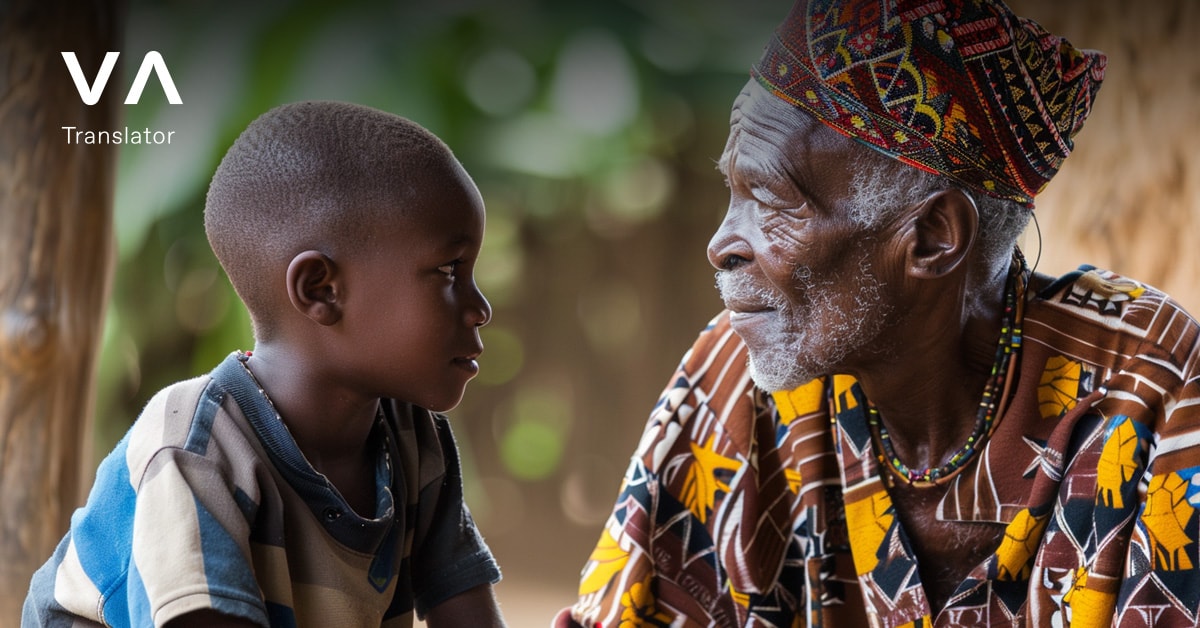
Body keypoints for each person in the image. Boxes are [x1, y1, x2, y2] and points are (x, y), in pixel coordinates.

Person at [557, 0, 1200, 626]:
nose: (720, 245)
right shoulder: (741, 378)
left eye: (772, 200)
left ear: (932, 239)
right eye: (733, 192)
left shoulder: (1152, 390)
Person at [23, 101, 506, 627]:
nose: (480, 308)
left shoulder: (415, 439)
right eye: (449, 270)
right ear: (321, 289)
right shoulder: (195, 450)